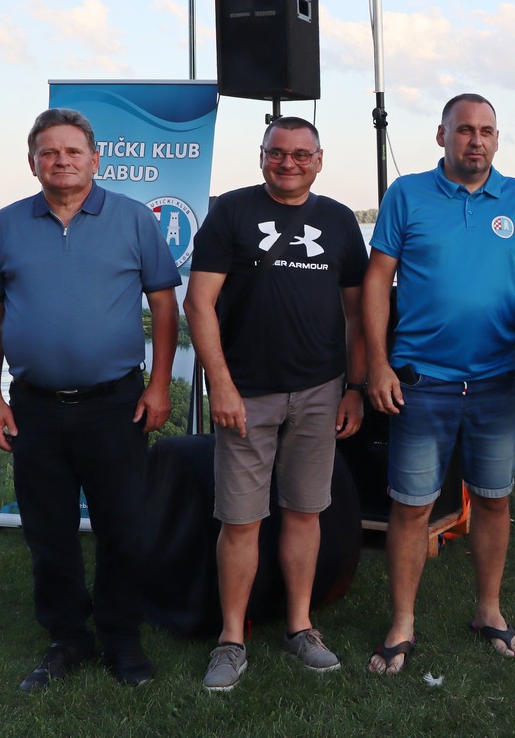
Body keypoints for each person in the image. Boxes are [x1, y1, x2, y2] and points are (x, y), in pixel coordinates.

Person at [0, 108, 180, 691]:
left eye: (72, 151)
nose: (60, 160)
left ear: (95, 159)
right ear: (32, 162)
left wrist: (160, 384)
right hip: (34, 407)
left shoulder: (134, 219)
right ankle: (66, 637)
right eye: (49, 152)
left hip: (115, 405)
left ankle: (121, 637)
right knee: (48, 533)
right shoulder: (5, 226)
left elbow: (165, 304)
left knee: (123, 528)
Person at [184, 116, 368, 692]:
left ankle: (300, 626)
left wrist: (355, 387)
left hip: (320, 393)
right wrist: (221, 385)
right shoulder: (231, 212)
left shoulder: (339, 220)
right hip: (247, 393)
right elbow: (198, 303)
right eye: (277, 153)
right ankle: (231, 639)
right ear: (261, 155)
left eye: (300, 154)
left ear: (320, 159)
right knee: (240, 520)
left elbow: (358, 313)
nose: (288, 163)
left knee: (305, 512)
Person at [363, 93, 515, 675]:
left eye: (487, 130)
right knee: (411, 507)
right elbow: (377, 281)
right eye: (464, 129)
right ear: (442, 135)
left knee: (492, 500)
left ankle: (489, 611)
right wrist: (376, 365)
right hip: (422, 383)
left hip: (494, 382)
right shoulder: (406, 194)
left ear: (498, 138)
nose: (476, 140)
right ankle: (402, 623)